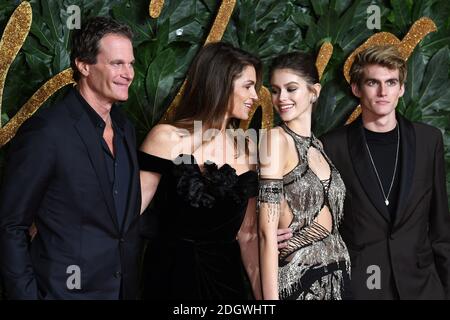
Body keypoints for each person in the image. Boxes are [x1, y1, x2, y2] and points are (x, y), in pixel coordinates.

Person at [0, 17, 142, 299]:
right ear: (84, 65)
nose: (128, 73)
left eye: (131, 63)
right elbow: (9, 225)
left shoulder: (126, 129)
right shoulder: (48, 131)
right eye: (117, 63)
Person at [319, 45, 450, 299]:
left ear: (401, 88)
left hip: (423, 287)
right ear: (356, 89)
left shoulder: (428, 140)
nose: (383, 92)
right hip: (361, 287)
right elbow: (323, 220)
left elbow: (440, 227)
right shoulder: (332, 146)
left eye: (391, 82)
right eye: (372, 82)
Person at [138, 41, 262, 299]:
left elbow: (248, 235)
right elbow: (127, 214)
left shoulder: (248, 148)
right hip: (167, 278)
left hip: (226, 283)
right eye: (248, 86)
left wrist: (265, 298)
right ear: (221, 84)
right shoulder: (166, 138)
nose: (256, 97)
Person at [258, 52, 351, 300]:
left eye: (291, 89)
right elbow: (267, 233)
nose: (281, 98)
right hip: (299, 283)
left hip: (339, 279)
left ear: (314, 92)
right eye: (275, 91)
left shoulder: (319, 146)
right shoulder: (274, 140)